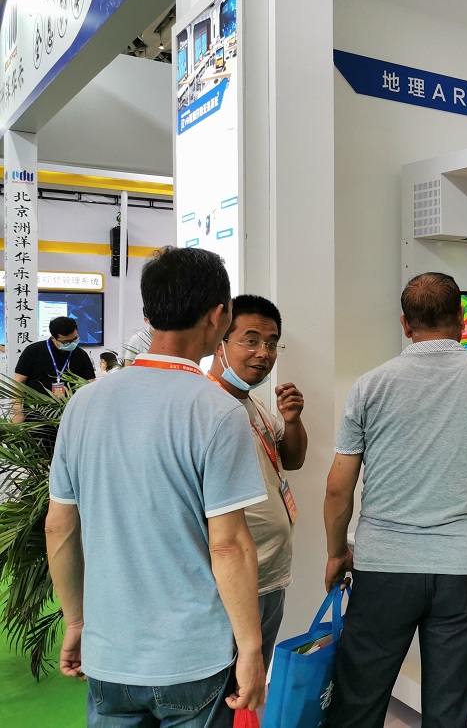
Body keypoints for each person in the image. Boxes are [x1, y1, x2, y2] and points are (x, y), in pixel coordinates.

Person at [45, 247, 268, 726]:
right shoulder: (217, 410)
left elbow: (58, 525)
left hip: (108, 653)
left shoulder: (84, 404)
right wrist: (251, 648)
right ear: (219, 315)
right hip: (193, 657)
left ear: (149, 313)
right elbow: (228, 545)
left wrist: (76, 620)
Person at [323, 272, 467, 728]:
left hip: (383, 564)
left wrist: (335, 552)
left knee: (358, 702)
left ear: (405, 324)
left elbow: (337, 487)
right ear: (462, 319)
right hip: (460, 568)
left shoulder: (370, 385)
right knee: (449, 706)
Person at [207, 294, 308, 671]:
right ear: (220, 342)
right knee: (227, 687)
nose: (263, 353)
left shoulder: (255, 405)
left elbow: (292, 461)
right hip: (231, 587)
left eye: (271, 343)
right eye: (251, 340)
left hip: (271, 574)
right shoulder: (207, 408)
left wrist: (292, 420)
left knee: (250, 684)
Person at [14, 315, 96, 395]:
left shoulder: (81, 354)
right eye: (66, 342)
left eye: (75, 339)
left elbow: (90, 382)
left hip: (69, 403)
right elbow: (19, 382)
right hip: (36, 402)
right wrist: (16, 403)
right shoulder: (33, 350)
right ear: (53, 338)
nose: (72, 343)